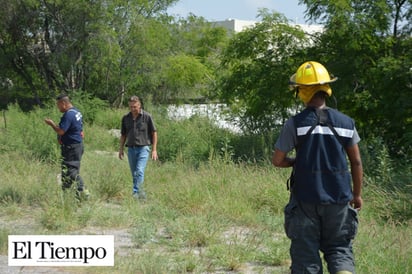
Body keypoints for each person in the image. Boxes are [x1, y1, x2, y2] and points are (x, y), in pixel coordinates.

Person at [272, 61, 363, 274]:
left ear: (301, 92)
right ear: (326, 88)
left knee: (305, 256)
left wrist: (297, 161)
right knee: (339, 249)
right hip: (339, 198)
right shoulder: (346, 123)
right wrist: (356, 195)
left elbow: (278, 160)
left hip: (305, 199)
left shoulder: (294, 124)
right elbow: (356, 162)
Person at [45, 94, 89, 200]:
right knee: (65, 173)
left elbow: (61, 130)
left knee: (71, 171)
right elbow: (80, 129)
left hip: (71, 148)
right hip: (76, 146)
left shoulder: (68, 115)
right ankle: (66, 197)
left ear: (64, 103)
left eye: (58, 105)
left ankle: (84, 191)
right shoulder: (76, 112)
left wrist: (51, 124)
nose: (58, 108)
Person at [119, 96, 158, 200]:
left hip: (143, 148)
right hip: (131, 149)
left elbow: (154, 133)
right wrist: (121, 149)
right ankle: (141, 194)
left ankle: (137, 194)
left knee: (139, 171)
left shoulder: (147, 117)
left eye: (135, 107)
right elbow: (123, 135)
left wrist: (154, 150)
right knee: (134, 173)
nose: (132, 109)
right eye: (131, 107)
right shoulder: (126, 118)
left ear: (139, 106)